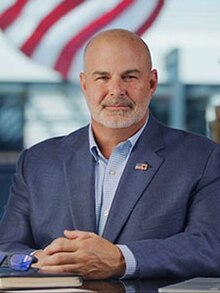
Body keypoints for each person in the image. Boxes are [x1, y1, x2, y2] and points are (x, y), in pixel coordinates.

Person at [0, 29, 220, 280]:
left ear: (152, 83)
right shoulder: (37, 162)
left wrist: (122, 259)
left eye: (129, 77)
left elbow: (211, 247)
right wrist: (37, 260)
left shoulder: (203, 158)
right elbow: (5, 250)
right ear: (84, 84)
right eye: (102, 77)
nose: (116, 90)